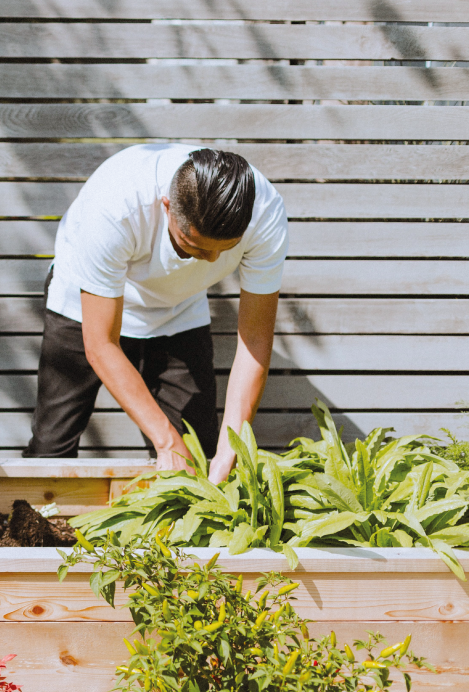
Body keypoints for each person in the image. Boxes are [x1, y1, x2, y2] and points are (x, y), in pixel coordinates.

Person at [22, 144, 288, 484]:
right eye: (193, 247)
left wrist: (230, 450)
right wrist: (165, 440)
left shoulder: (265, 213)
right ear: (167, 208)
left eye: (225, 250)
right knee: (51, 447)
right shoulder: (115, 206)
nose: (210, 261)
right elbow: (101, 344)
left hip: (178, 309)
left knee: (196, 452)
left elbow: (254, 339)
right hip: (83, 306)